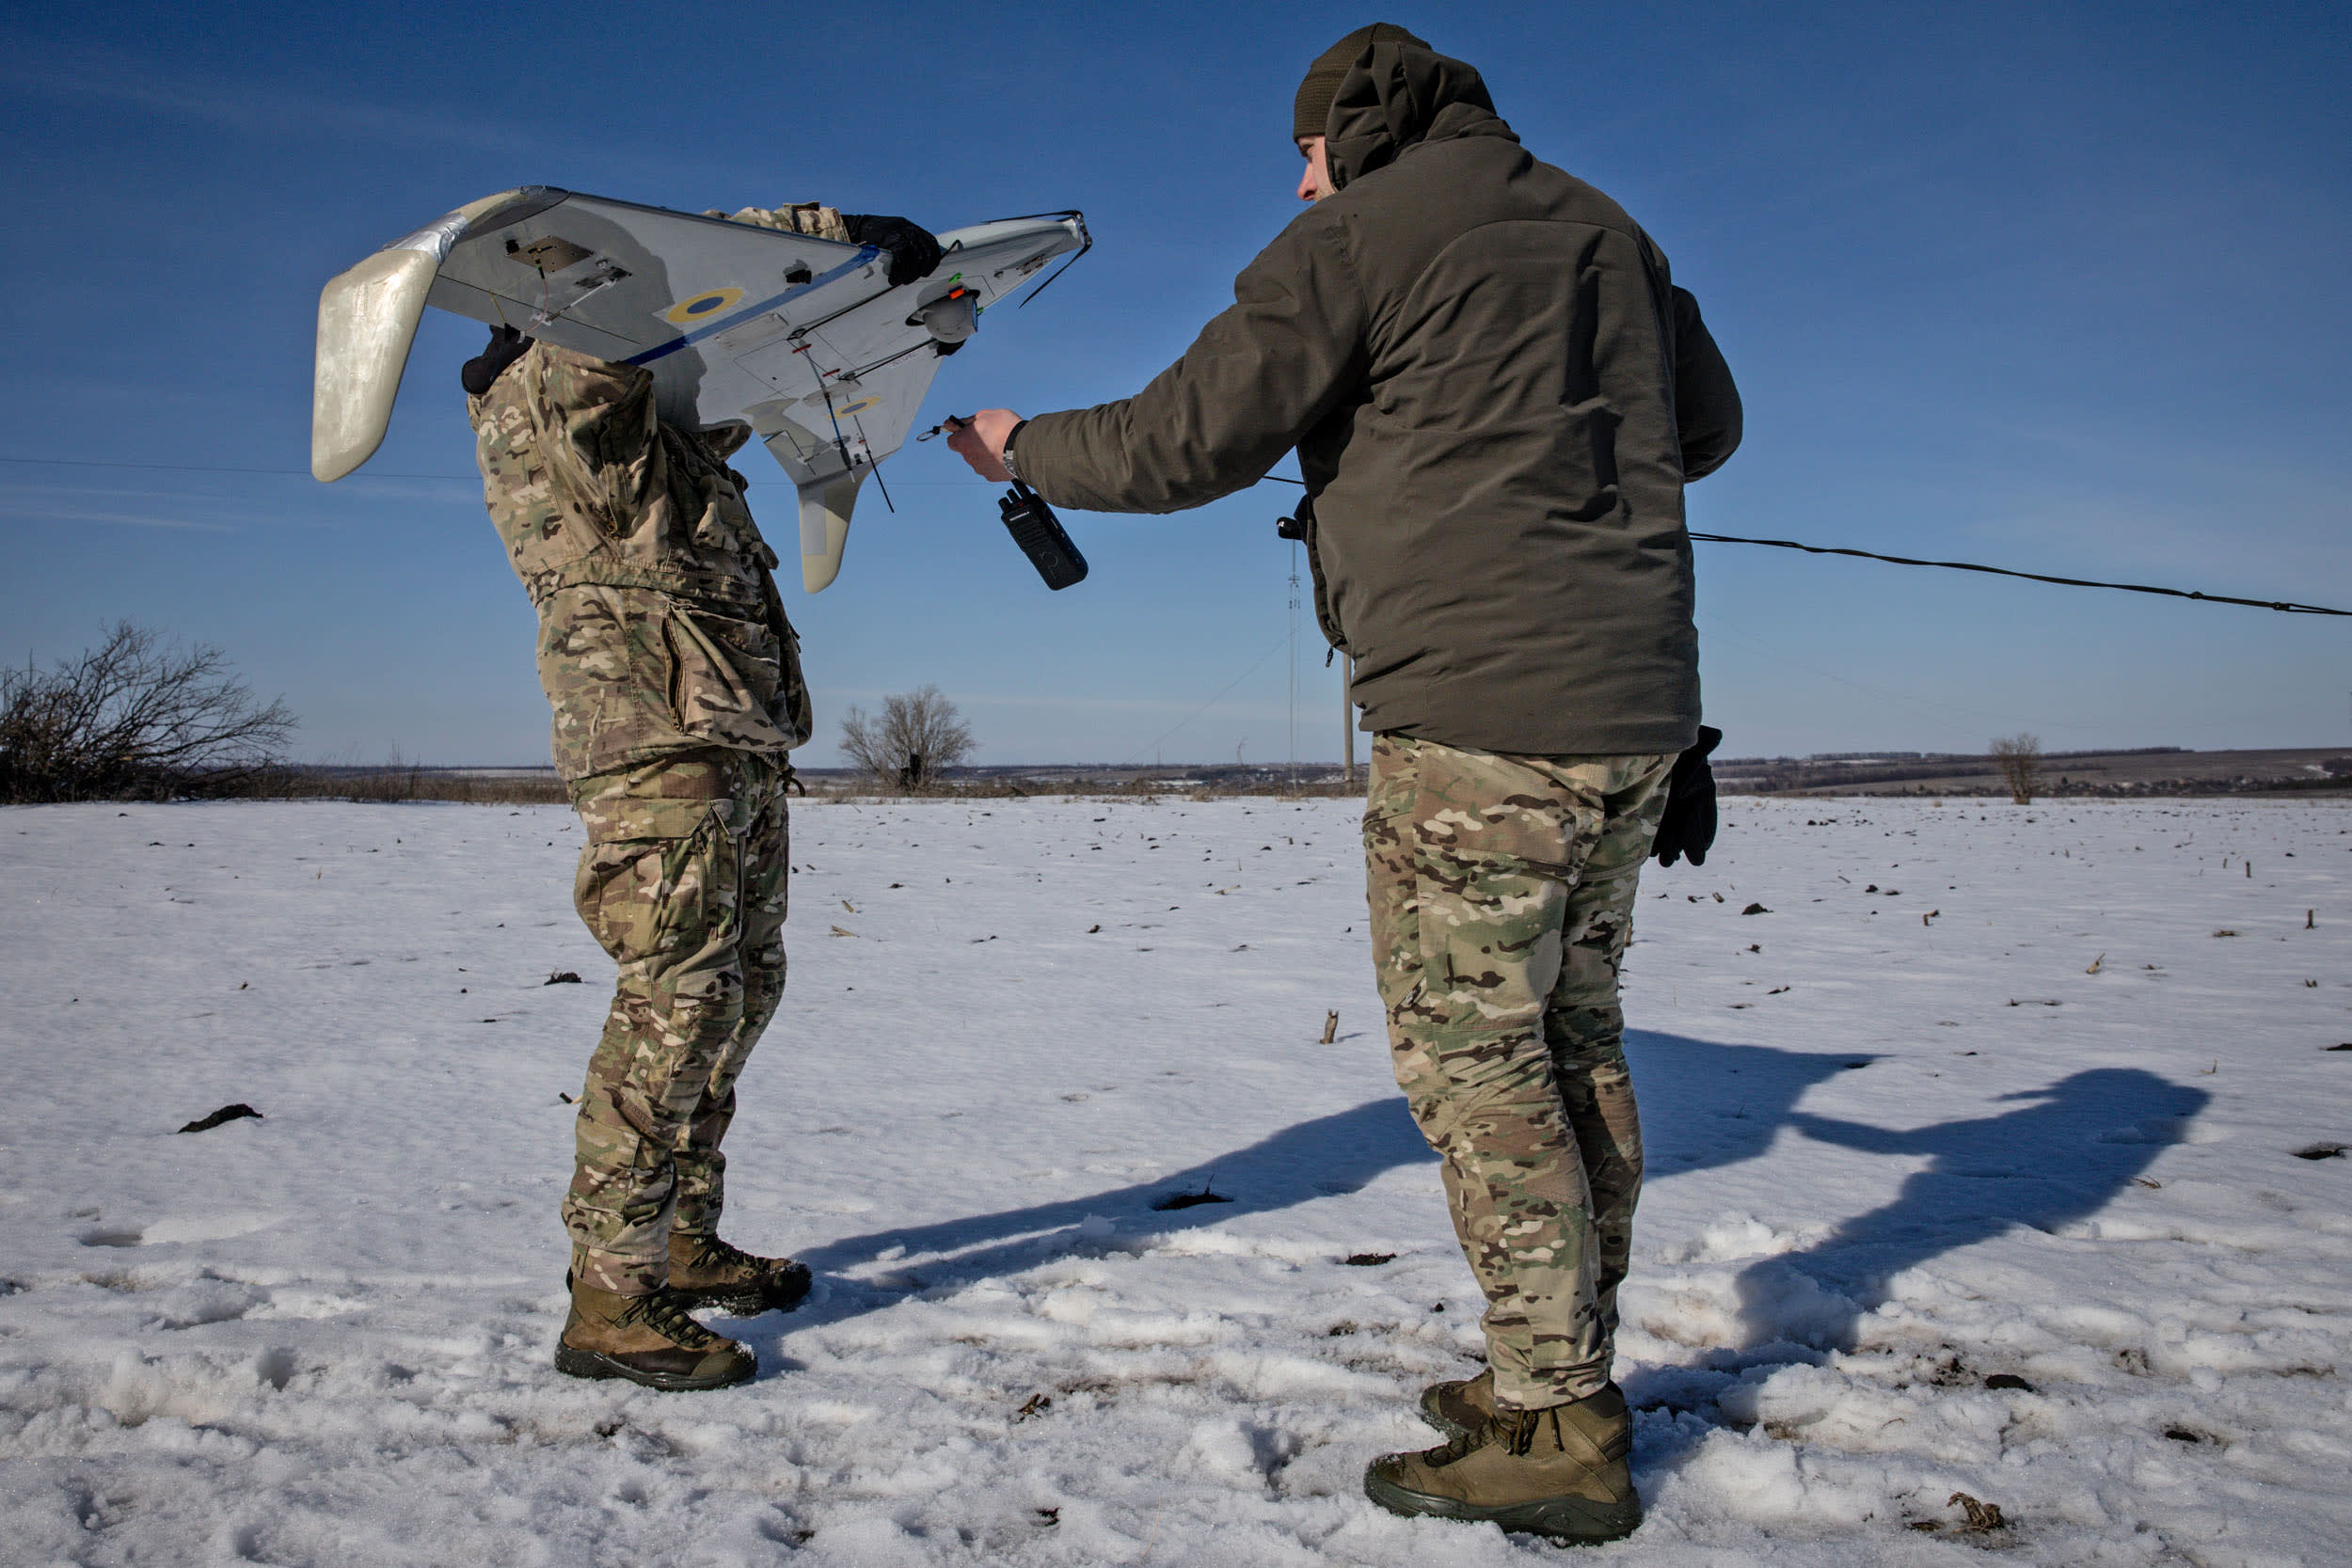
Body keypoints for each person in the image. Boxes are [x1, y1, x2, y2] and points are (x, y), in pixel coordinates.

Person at [946, 25, 1739, 1544]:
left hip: (1480, 717)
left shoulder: (1353, 230)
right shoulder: (1610, 226)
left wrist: (1015, 439)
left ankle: (1558, 1421)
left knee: (1478, 1061)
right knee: (1574, 1035)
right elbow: (1707, 429)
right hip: (1643, 712)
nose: (1296, 173)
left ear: (1355, 130)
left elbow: (1182, 440)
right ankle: (1553, 1372)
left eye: (1305, 146)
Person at [464, 201, 941, 1392]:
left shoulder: (666, 451)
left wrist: (898, 319)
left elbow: (724, 354)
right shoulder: (562, 406)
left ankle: (678, 1237)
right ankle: (613, 1298)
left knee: (740, 986)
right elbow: (653, 268)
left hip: (728, 744)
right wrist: (828, 233)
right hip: (655, 748)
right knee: (675, 999)